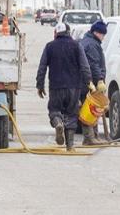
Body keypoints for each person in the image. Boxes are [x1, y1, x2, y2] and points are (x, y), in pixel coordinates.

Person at [36, 22, 94, 152]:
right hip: (74, 87)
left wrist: (40, 85)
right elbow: (85, 66)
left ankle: (58, 123)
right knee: (72, 114)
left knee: (54, 110)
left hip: (56, 87)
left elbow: (42, 67)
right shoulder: (76, 45)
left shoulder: (49, 46)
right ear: (68, 33)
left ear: (56, 33)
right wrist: (89, 82)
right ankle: (70, 146)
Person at [80, 21, 108, 145]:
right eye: (103, 34)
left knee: (93, 109)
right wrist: (99, 80)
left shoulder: (88, 41)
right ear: (97, 33)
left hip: (85, 81)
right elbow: (93, 64)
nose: (103, 37)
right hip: (90, 82)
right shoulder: (91, 45)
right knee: (91, 110)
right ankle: (89, 138)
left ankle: (94, 136)